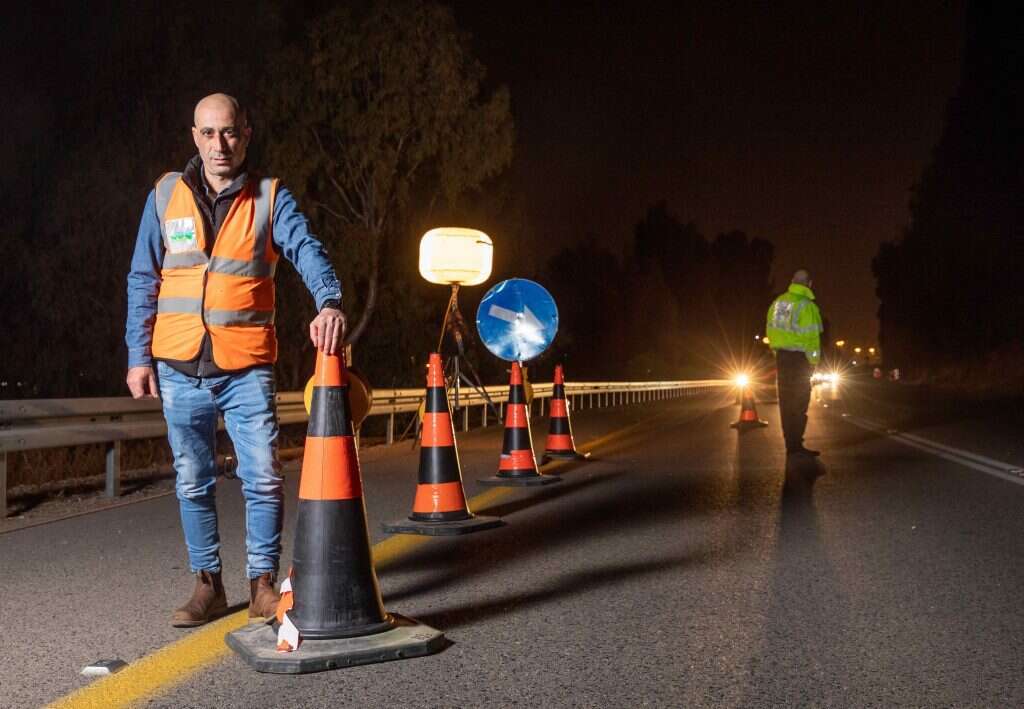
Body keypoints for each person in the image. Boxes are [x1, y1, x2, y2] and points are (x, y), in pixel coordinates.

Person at [125, 94, 346, 627]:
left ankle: (262, 584)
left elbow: (307, 250)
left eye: (229, 133)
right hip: (178, 364)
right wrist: (138, 354)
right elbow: (142, 278)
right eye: (208, 133)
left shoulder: (269, 198)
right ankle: (208, 585)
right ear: (194, 136)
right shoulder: (164, 196)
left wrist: (329, 299)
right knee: (191, 478)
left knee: (263, 476)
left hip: (245, 367)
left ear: (246, 134)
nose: (218, 144)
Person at [766, 269, 824, 457]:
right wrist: (813, 361)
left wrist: (777, 352)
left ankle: (790, 445)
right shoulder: (807, 306)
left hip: (782, 358)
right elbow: (812, 338)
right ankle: (796, 444)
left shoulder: (778, 303)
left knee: (786, 402)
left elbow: (771, 331)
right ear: (810, 284)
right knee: (799, 402)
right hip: (800, 360)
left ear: (792, 281)